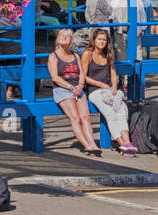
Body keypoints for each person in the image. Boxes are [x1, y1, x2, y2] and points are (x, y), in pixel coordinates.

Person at [80, 29, 136, 156]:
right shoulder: (88, 53)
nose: (102, 42)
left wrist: (115, 86)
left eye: (104, 40)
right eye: (99, 39)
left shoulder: (108, 53)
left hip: (109, 89)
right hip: (95, 90)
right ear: (94, 40)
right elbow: (83, 76)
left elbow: (113, 72)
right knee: (110, 113)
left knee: (121, 109)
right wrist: (101, 84)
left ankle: (127, 142)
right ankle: (122, 144)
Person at [47, 28, 101, 156]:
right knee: (75, 118)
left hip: (78, 88)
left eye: (68, 36)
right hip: (63, 89)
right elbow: (55, 77)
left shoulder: (75, 55)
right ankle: (87, 145)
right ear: (58, 39)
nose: (65, 38)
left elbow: (82, 73)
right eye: (62, 36)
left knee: (86, 117)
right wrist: (71, 88)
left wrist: (80, 85)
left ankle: (92, 143)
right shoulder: (53, 57)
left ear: (71, 40)